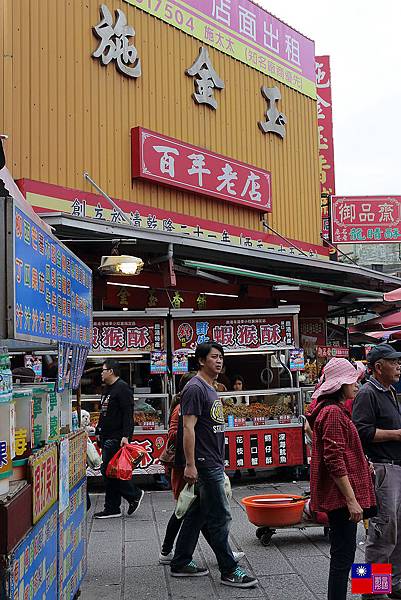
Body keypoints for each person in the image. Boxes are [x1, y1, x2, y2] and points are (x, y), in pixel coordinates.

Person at [170, 342, 257, 588]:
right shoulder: (195, 388)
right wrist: (190, 464)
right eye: (213, 357)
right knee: (219, 517)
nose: (219, 361)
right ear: (200, 360)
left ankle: (180, 561)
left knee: (196, 514)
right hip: (204, 463)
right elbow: (188, 428)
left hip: (212, 460)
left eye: (221, 357)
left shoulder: (210, 387)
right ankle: (229, 570)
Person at [159, 371, 245, 564]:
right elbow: (175, 433)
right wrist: (191, 462)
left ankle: (183, 557)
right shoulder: (184, 407)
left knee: (197, 512)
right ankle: (169, 552)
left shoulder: (195, 403)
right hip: (187, 467)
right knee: (188, 511)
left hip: (198, 465)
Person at [308, 358, 376, 600]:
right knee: (346, 555)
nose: (357, 385)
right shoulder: (334, 413)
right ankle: (369, 591)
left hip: (353, 491)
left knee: (349, 552)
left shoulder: (335, 410)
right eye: (352, 381)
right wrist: (351, 499)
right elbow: (334, 459)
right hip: (345, 495)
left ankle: (372, 590)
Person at [352, 343, 401, 600]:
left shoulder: (389, 391)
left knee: (397, 530)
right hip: (382, 469)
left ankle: (392, 582)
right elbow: (361, 432)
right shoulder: (367, 393)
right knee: (381, 531)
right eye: (393, 362)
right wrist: (397, 434)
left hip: (396, 467)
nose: (398, 366)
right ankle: (369, 590)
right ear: (378, 367)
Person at [94, 359, 144, 519]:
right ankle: (114, 506)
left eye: (103, 370)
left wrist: (126, 436)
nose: (101, 373)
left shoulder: (122, 388)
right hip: (106, 436)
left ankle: (132, 495)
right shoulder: (108, 389)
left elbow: (128, 414)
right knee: (110, 472)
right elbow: (104, 413)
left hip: (116, 437)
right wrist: (98, 431)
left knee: (109, 471)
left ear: (111, 371)